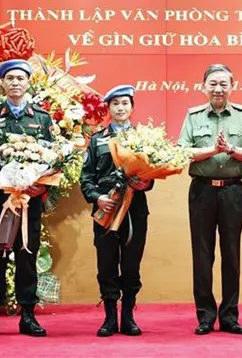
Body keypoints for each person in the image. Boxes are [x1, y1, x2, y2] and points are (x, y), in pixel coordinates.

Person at [0, 59, 54, 338]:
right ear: (2, 83)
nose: (15, 82)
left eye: (21, 78)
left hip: (28, 201)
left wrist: (42, 188)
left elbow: (52, 159)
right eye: (10, 78)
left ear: (29, 82)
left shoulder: (41, 117)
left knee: (26, 255)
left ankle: (27, 315)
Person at [177, 64, 242, 335]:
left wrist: (231, 149)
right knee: (202, 255)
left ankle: (229, 316)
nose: (218, 89)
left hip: (233, 191)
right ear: (204, 87)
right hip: (201, 190)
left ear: (231, 87)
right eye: (213, 83)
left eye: (223, 83)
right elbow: (185, 152)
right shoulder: (193, 116)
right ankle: (205, 315)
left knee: (232, 254)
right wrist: (213, 149)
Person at [80, 85, 154, 337]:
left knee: (131, 265)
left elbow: (151, 174)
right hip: (106, 211)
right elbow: (86, 178)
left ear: (132, 107)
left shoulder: (145, 138)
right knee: (107, 264)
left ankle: (128, 317)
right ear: (108, 108)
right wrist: (97, 197)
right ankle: (110, 317)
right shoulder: (97, 139)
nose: (120, 108)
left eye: (124, 103)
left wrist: (146, 182)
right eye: (115, 104)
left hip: (135, 211)